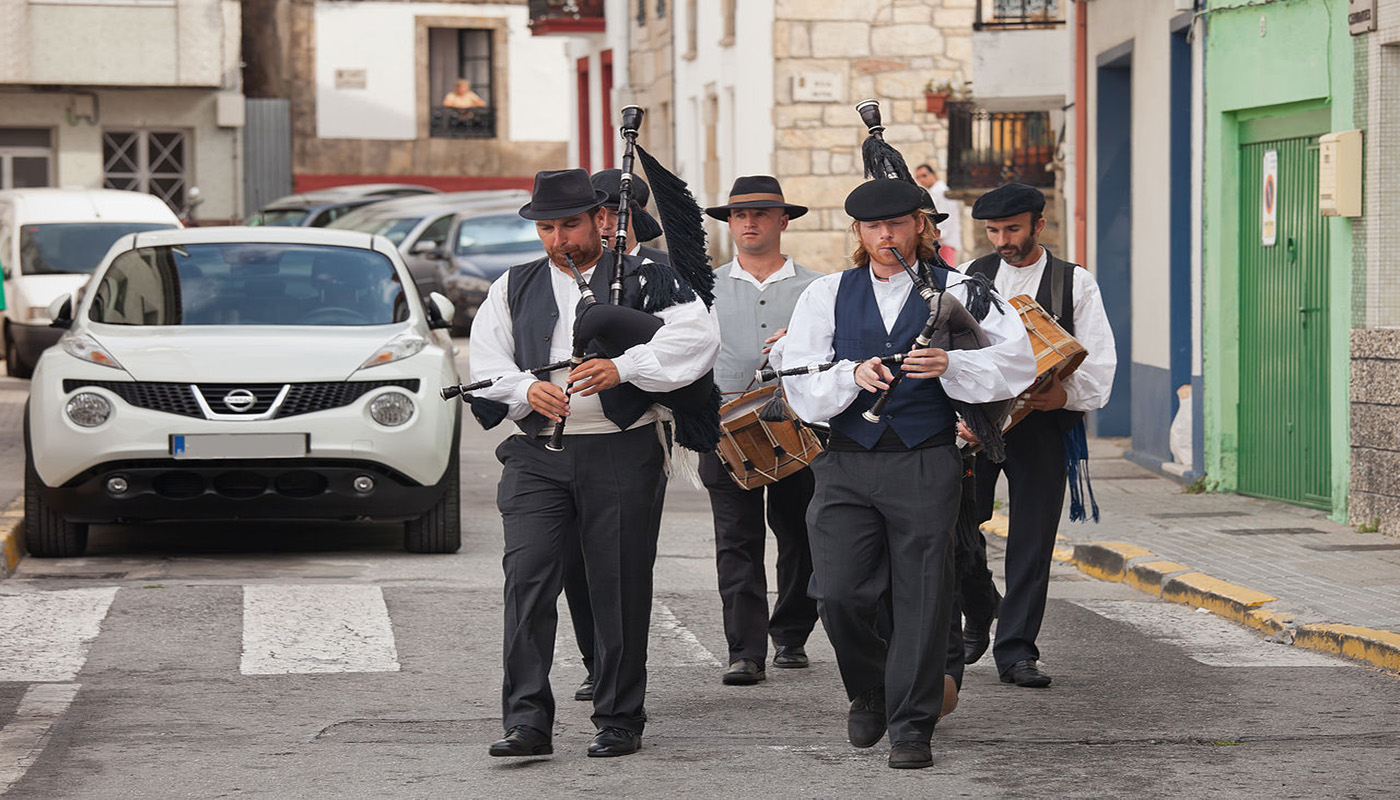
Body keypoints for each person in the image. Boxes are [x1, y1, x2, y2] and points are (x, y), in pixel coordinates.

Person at [777, 178, 1034, 769]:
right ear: (859, 234)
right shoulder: (826, 294)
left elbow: (1017, 363)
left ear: (920, 225)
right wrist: (849, 375)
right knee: (838, 593)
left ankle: (912, 724)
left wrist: (953, 364)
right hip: (844, 457)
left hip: (925, 459)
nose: (885, 236)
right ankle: (870, 687)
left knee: (922, 594)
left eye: (896, 224)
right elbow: (800, 380)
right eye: (873, 227)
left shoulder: (965, 288)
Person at [469, 168, 719, 758]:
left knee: (620, 584)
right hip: (537, 455)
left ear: (600, 220)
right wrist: (524, 390)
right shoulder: (512, 286)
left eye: (570, 225)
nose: (559, 239)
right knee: (527, 580)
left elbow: (696, 341)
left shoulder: (650, 275)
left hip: (621, 446)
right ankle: (527, 720)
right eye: (548, 228)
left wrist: (623, 368)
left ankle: (619, 717)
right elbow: (485, 363)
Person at [957, 183, 1117, 688]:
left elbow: (1099, 358)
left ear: (1037, 226)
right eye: (993, 230)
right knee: (955, 528)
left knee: (1032, 539)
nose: (1002, 239)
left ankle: (1017, 650)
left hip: (1043, 428)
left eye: (1012, 229)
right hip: (978, 427)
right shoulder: (971, 277)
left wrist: (1063, 398)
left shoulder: (1075, 283)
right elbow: (953, 346)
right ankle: (981, 604)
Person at [698, 176, 822, 686]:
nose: (748, 223)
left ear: (782, 220)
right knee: (736, 538)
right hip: (723, 425)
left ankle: (790, 633)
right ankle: (744, 649)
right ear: (729, 223)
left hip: (794, 422)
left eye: (760, 214)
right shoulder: (700, 286)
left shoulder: (818, 287)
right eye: (739, 215)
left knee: (800, 535)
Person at [555, 168, 670, 706]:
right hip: (564, 439)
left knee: (622, 559)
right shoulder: (558, 274)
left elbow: (677, 348)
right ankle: (594, 660)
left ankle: (618, 673)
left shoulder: (655, 273)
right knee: (572, 562)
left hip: (635, 430)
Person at [914, 163, 961, 265]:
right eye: (918, 177)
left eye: (924, 175)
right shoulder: (932, 192)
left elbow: (947, 216)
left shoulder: (942, 191)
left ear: (933, 175)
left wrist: (938, 235)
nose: (921, 179)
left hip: (944, 240)